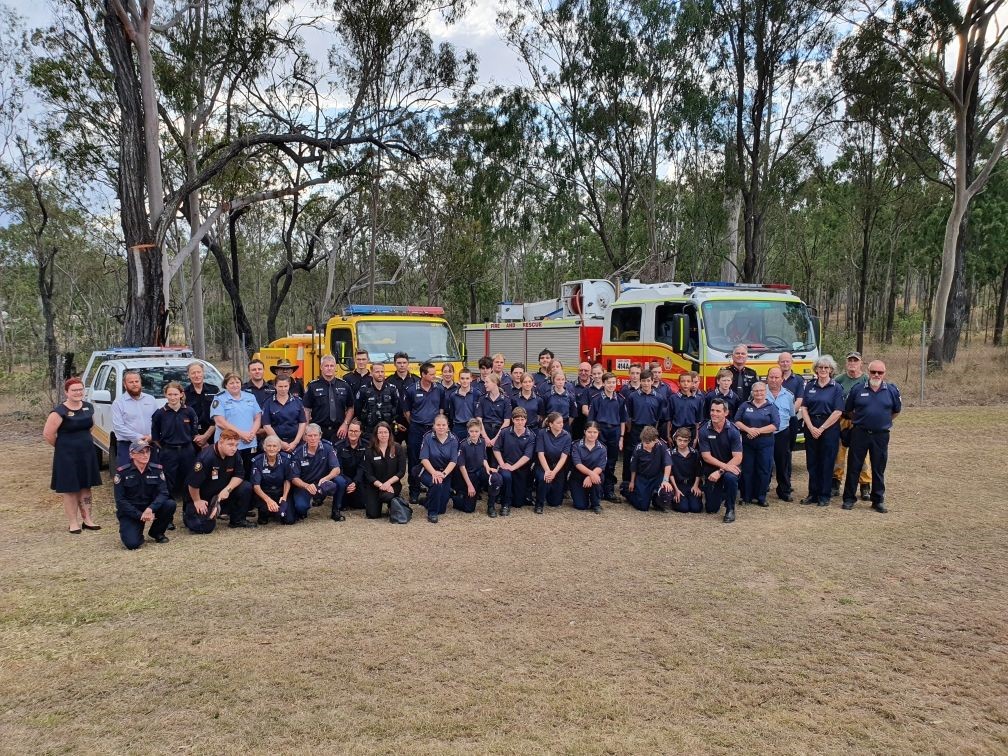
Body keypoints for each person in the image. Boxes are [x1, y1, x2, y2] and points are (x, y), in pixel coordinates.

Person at [43, 377, 103, 534]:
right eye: (74, 390)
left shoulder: (89, 407)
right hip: (66, 456)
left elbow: (90, 427)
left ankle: (88, 520)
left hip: (87, 454)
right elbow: (48, 434)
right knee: (70, 489)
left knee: (86, 487)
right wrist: (63, 447)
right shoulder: (59, 412)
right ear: (66, 392)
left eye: (80, 389)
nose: (78, 392)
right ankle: (73, 523)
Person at [842, 360, 901, 513]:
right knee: (854, 467)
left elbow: (896, 411)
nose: (876, 375)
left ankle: (878, 500)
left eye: (879, 372)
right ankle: (849, 499)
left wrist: (881, 421)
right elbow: (848, 410)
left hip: (880, 436)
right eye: (873, 372)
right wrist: (861, 421)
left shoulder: (892, 390)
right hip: (859, 434)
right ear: (868, 372)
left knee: (878, 468)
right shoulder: (857, 389)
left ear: (884, 373)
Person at [184, 428, 255, 533]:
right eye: (230, 445)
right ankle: (189, 513)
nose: (234, 448)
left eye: (236, 445)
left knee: (246, 486)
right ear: (220, 442)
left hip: (221, 493)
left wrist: (227, 490)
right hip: (202, 497)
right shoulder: (206, 458)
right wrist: (197, 501)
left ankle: (237, 520)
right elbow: (193, 484)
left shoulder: (235, 454)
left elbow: (239, 475)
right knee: (204, 527)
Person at [799, 355, 845, 507]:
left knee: (826, 461)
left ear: (831, 370)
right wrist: (811, 427)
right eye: (820, 367)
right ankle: (813, 493)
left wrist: (822, 428)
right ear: (816, 370)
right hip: (811, 426)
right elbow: (804, 407)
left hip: (829, 428)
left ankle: (824, 495)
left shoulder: (836, 387)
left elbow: (838, 411)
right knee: (812, 461)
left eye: (826, 368)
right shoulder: (810, 386)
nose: (823, 370)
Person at [113, 439, 176, 549]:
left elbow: (163, 493)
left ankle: (157, 532)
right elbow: (120, 500)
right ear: (132, 454)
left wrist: (150, 508)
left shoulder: (157, 470)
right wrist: (140, 515)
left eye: (147, 452)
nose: (145, 455)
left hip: (149, 508)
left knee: (170, 504)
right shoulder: (122, 473)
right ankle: (136, 530)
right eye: (141, 452)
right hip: (132, 511)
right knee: (132, 544)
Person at [150, 381, 198, 515]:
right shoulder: (160, 414)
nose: (172, 397)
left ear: (181, 394)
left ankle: (188, 512)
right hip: (168, 452)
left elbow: (194, 432)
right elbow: (155, 437)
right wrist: (166, 448)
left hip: (187, 451)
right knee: (168, 483)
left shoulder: (189, 411)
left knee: (188, 481)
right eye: (169, 394)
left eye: (175, 394)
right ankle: (167, 516)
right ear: (165, 395)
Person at [403, 362, 445, 503]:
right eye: (432, 374)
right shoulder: (411, 390)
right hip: (416, 429)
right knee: (415, 459)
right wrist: (416, 423)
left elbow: (441, 409)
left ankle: (430, 487)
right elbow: (407, 412)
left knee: (433, 459)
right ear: (423, 374)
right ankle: (414, 491)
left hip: (433, 430)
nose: (435, 376)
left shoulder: (439, 389)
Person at [733, 381, 780, 507]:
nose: (759, 393)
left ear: (766, 392)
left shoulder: (772, 407)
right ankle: (746, 496)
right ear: (752, 393)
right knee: (747, 469)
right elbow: (736, 421)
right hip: (747, 443)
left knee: (764, 470)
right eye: (756, 391)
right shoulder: (745, 405)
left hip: (765, 444)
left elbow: (775, 425)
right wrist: (748, 430)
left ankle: (761, 497)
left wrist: (757, 431)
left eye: (761, 391)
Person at [833, 351, 872, 500]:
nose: (852, 363)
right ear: (846, 363)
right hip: (842, 419)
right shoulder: (839, 379)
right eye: (850, 361)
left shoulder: (866, 379)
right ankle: (835, 482)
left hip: (860, 421)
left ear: (861, 363)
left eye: (855, 361)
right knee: (838, 453)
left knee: (862, 454)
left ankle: (865, 485)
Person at [698, 398, 743, 523]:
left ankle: (730, 509)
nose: (714, 413)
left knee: (730, 477)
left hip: (730, 467)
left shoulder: (733, 430)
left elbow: (738, 457)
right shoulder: (703, 430)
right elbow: (706, 456)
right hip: (712, 468)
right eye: (712, 410)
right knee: (711, 509)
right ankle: (723, 494)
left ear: (726, 413)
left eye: (718, 411)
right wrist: (721, 468)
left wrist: (721, 471)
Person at [290, 423, 347, 521]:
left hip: (322, 483)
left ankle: (336, 511)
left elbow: (336, 469)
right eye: (310, 436)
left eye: (315, 435)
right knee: (301, 508)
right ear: (305, 437)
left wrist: (326, 478)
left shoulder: (328, 447)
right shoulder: (298, 453)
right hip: (306, 485)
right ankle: (310, 502)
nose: (313, 438)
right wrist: (306, 486)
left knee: (340, 481)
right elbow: (294, 478)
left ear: (320, 436)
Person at [622, 371, 664, 497]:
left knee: (648, 456)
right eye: (643, 381)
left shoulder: (659, 397)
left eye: (648, 381)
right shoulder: (633, 396)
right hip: (635, 429)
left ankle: (645, 484)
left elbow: (658, 417)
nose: (646, 383)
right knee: (632, 455)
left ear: (652, 381)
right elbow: (628, 414)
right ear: (640, 382)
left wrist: (653, 432)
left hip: (650, 430)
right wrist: (630, 428)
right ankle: (627, 482)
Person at [211, 372, 261, 477]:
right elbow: (220, 422)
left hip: (249, 443)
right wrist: (241, 435)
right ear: (225, 385)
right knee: (228, 474)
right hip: (229, 445)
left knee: (248, 473)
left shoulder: (250, 396)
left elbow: (257, 418)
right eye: (231, 383)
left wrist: (251, 433)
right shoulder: (219, 399)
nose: (235, 385)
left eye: (237, 382)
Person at [587, 372, 627, 502]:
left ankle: (608, 491)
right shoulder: (596, 399)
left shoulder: (620, 399)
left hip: (614, 432)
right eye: (608, 382)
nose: (611, 385)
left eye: (613, 383)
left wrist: (621, 437)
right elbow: (591, 419)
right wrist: (593, 436)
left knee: (611, 462)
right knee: (599, 461)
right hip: (600, 431)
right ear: (603, 383)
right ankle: (597, 489)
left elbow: (622, 420)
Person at [111, 369, 159, 466]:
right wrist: (139, 437)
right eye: (131, 382)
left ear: (140, 382)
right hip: (127, 446)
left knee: (152, 475)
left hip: (149, 444)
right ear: (125, 385)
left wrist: (151, 436)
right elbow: (118, 427)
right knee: (127, 476)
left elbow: (157, 422)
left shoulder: (151, 399)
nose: (134, 384)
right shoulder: (118, 403)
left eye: (137, 381)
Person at [455, 419, 502, 516]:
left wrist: (488, 467)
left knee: (496, 478)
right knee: (469, 509)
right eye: (471, 431)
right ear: (468, 431)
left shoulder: (482, 442)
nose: (474, 434)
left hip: (481, 471)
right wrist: (469, 485)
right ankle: (456, 497)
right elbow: (462, 466)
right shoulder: (463, 445)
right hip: (470, 475)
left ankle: (491, 506)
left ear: (480, 431)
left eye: (476, 431)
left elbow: (484, 458)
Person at [493, 407, 536, 515]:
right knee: (506, 476)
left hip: (521, 468)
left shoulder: (531, 435)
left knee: (518, 503)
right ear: (512, 420)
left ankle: (513, 496)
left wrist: (514, 467)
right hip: (506, 465)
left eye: (522, 419)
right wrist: (502, 464)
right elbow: (496, 448)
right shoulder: (504, 432)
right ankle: (505, 504)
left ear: (526, 420)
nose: (520, 422)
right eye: (517, 419)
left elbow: (527, 456)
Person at [303, 355, 353, 444]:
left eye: (331, 366)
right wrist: (306, 430)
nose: (329, 368)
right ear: (321, 367)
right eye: (326, 366)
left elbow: (350, 407)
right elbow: (306, 410)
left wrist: (345, 424)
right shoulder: (313, 386)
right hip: (319, 431)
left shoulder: (344, 385)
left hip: (339, 431)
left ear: (335, 368)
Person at [362, 421, 408, 520]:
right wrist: (381, 485)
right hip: (375, 486)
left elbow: (401, 471)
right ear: (376, 434)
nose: (383, 435)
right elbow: (368, 474)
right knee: (372, 514)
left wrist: (388, 483)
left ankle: (393, 503)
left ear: (389, 433)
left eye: (385, 432)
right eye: (380, 432)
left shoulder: (397, 448)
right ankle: (376, 503)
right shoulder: (370, 451)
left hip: (392, 485)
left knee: (387, 496)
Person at [418, 414, 459, 523]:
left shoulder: (454, 439)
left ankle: (427, 500)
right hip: (428, 470)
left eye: (443, 425)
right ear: (434, 426)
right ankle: (432, 513)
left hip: (445, 472)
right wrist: (434, 473)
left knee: (442, 509)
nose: (441, 427)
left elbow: (453, 461)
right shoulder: (427, 437)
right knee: (436, 484)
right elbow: (424, 459)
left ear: (448, 426)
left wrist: (444, 474)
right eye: (438, 425)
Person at [765, 367, 796, 502]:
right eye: (771, 377)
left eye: (777, 377)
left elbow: (792, 417)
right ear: (767, 378)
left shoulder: (789, 396)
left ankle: (784, 490)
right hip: (764, 433)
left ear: (782, 379)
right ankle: (762, 488)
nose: (774, 380)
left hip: (782, 433)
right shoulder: (759, 392)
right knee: (764, 463)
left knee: (782, 463)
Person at [627, 425, 674, 512]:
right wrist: (632, 481)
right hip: (643, 478)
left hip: (657, 477)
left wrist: (665, 480)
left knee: (666, 492)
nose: (644, 445)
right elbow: (633, 466)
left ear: (655, 441)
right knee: (643, 507)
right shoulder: (638, 448)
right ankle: (627, 491)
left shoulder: (662, 446)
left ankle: (657, 502)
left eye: (647, 443)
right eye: (643, 442)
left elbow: (668, 464)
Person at [250, 434, 294, 525]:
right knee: (263, 521)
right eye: (269, 446)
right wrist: (268, 500)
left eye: (274, 446)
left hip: (281, 492)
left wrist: (284, 497)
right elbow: (256, 486)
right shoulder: (257, 461)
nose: (271, 448)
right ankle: (268, 511)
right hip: (265, 493)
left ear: (279, 448)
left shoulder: (286, 459)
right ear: (264, 447)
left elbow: (287, 480)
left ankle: (277, 510)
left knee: (289, 521)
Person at [535, 411, 572, 513]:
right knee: (543, 478)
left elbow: (564, 457)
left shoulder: (567, 436)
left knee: (555, 502)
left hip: (557, 468)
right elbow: (540, 454)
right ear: (550, 424)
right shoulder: (542, 433)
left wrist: (554, 472)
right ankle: (539, 504)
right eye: (558, 422)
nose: (561, 425)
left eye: (562, 422)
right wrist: (547, 471)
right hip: (544, 465)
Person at [354, 363, 400, 442]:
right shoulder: (364, 390)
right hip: (369, 430)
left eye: (382, 372)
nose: (380, 374)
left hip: (387, 429)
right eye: (377, 372)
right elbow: (358, 409)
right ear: (371, 373)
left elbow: (397, 407)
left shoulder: (392, 389)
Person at [261, 376, 307, 452]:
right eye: (280, 386)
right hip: (275, 443)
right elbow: (266, 426)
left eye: (286, 386)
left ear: (289, 386)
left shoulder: (298, 401)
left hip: (296, 442)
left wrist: (295, 442)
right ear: (275, 386)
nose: (283, 389)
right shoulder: (268, 402)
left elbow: (302, 423)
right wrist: (280, 443)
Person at [570, 421, 607, 513]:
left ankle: (596, 504)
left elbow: (600, 466)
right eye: (589, 432)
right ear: (584, 432)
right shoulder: (576, 445)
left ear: (598, 433)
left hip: (595, 475)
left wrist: (591, 476)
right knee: (581, 506)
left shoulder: (602, 448)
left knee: (597, 478)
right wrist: (590, 474)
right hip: (578, 476)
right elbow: (577, 464)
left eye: (595, 432)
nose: (592, 435)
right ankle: (584, 494)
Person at [334, 419, 368, 512]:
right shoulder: (339, 446)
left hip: (359, 480)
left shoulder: (367, 446)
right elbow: (338, 468)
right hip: (344, 479)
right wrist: (349, 482)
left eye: (356, 431)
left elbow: (363, 467)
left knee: (361, 504)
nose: (353, 433)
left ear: (360, 432)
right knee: (342, 505)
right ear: (347, 431)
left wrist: (355, 482)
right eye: (351, 430)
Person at [185, 362, 219, 450]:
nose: (196, 375)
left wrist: (206, 437)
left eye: (199, 372)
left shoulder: (214, 390)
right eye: (193, 373)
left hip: (213, 434)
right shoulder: (184, 393)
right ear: (188, 375)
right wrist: (197, 438)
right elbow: (183, 417)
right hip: (192, 438)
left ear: (203, 373)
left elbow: (219, 415)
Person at [475, 374, 512, 457]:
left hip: (499, 432)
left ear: (495, 383)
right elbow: (479, 420)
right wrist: (485, 437)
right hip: (484, 431)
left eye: (487, 382)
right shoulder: (482, 399)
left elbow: (507, 422)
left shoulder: (505, 400)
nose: (485, 384)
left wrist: (496, 439)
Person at [670, 427, 703, 514]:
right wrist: (675, 490)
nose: (682, 443)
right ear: (675, 439)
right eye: (680, 440)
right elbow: (671, 473)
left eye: (685, 441)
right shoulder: (671, 454)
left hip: (691, 484)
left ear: (689, 441)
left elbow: (698, 471)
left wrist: (696, 486)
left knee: (696, 509)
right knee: (683, 508)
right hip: (678, 485)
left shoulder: (695, 453)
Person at [778, 352, 805, 451]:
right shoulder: (774, 378)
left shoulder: (798, 380)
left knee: (789, 446)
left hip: (791, 418)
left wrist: (788, 415)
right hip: (776, 418)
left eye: (787, 361)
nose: (785, 364)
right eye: (782, 361)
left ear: (791, 362)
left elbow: (799, 399)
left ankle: (788, 466)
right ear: (778, 363)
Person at [669, 370, 704, 442]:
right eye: (683, 381)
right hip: (677, 431)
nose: (685, 384)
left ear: (691, 383)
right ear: (678, 383)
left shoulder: (698, 399)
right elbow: (669, 419)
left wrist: (696, 437)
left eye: (688, 381)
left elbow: (698, 421)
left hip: (692, 431)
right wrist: (668, 435)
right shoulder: (673, 398)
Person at [446, 367, 479, 440]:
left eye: (467, 378)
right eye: (462, 378)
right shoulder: (453, 395)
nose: (465, 381)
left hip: (473, 427)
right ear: (459, 379)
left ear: (471, 379)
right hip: (458, 427)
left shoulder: (477, 394)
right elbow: (452, 414)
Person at [571, 362, 594, 440]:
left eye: (586, 370)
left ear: (590, 372)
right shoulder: (571, 386)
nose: (583, 373)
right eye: (581, 370)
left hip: (592, 424)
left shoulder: (596, 387)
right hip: (575, 424)